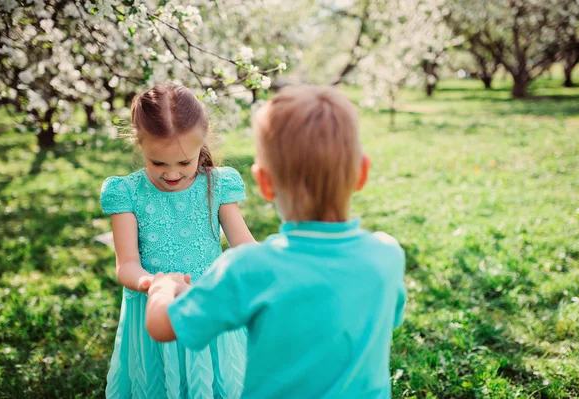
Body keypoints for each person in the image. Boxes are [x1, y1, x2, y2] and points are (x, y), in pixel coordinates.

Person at [146, 85, 407, 398]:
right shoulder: (386, 255)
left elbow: (162, 326)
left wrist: (163, 288)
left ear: (265, 183)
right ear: (362, 173)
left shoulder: (248, 269)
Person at [100, 83, 254, 398]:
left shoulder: (218, 185)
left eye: (184, 163)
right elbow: (126, 264)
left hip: (205, 302)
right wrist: (153, 284)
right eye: (158, 163)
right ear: (139, 143)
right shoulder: (127, 193)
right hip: (154, 306)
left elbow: (245, 246)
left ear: (202, 145)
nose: (172, 174)